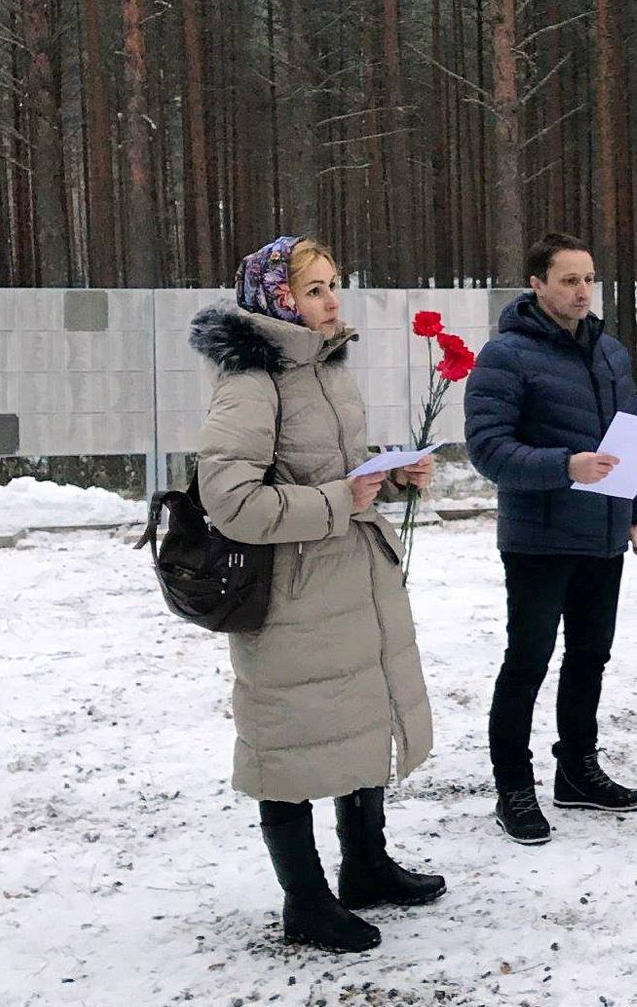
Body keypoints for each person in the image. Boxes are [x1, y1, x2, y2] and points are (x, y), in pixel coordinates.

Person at [191, 236, 444, 952]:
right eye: (315, 290)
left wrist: (390, 475)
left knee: (357, 720)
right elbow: (230, 500)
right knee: (291, 743)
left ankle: (365, 864)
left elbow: (341, 466)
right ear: (278, 300)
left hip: (349, 579)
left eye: (334, 286)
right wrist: (341, 498)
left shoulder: (325, 365)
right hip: (290, 595)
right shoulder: (250, 380)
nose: (333, 301)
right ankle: (305, 899)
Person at [464, 232, 637, 846]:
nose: (582, 291)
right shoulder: (505, 356)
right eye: (568, 280)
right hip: (539, 540)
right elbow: (488, 451)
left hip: (603, 536)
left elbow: (633, 435)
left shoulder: (610, 354)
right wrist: (563, 466)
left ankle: (576, 770)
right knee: (527, 663)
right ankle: (513, 787)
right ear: (538, 284)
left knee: (589, 659)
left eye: (589, 279)